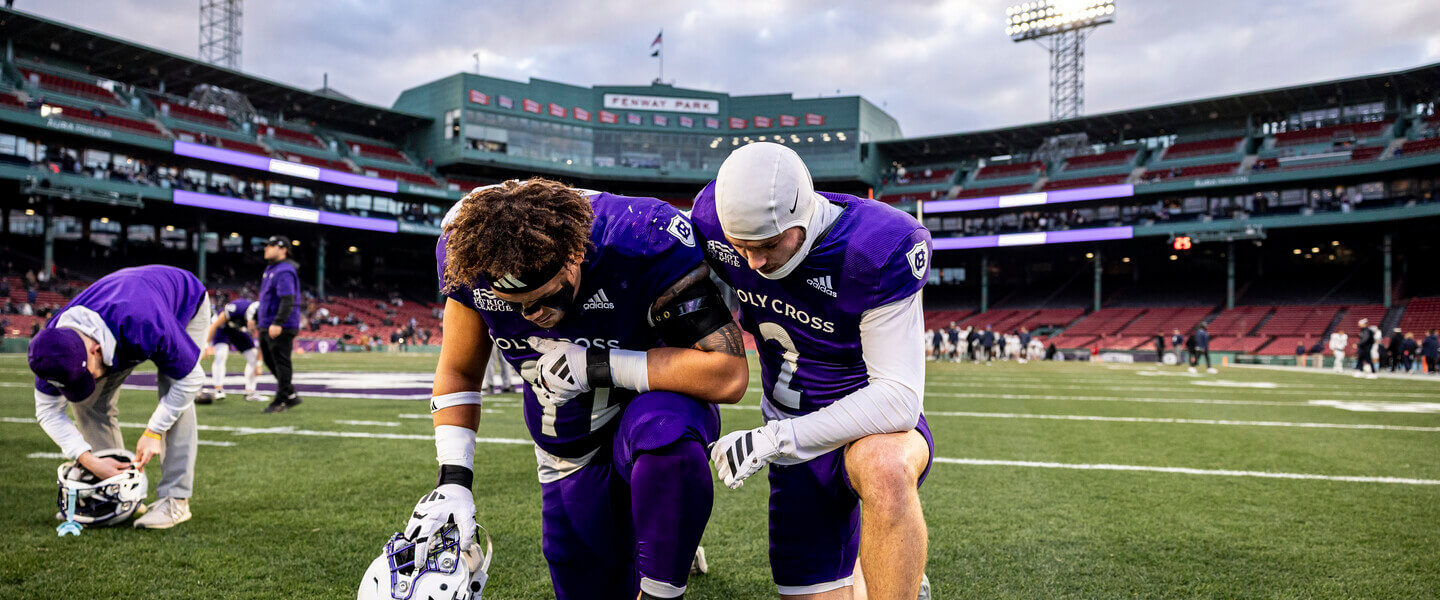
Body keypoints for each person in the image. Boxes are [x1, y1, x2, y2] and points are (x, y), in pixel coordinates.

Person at [410, 179, 748, 600]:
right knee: (584, 579)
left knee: (666, 438)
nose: (532, 315)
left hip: (652, 400)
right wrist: (454, 479)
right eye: (514, 306)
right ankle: (649, 532)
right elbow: (460, 372)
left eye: (545, 298)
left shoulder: (638, 236)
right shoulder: (470, 254)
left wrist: (597, 366)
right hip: (566, 436)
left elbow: (729, 373)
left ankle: (664, 581)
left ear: (576, 254)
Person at [691, 143, 933, 600]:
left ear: (803, 212)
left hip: (867, 426)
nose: (754, 263)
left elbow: (898, 400)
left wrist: (776, 439)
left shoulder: (876, 247)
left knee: (885, 468)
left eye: (767, 245)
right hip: (788, 420)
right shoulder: (711, 219)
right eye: (741, 248)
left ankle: (893, 572)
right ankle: (879, 564)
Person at [28, 265, 209, 529]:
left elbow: (191, 379)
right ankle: (116, 489)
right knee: (87, 400)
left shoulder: (144, 322)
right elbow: (48, 412)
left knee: (175, 384)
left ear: (95, 349)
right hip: (124, 313)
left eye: (86, 373)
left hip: (182, 301)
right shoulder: (52, 347)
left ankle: (176, 499)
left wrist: (154, 431)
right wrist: (89, 460)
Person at [257, 235, 303, 413]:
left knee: (281, 362)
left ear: (283, 249)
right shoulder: (271, 269)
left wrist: (278, 322)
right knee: (271, 361)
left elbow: (287, 299)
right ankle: (289, 393)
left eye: (271, 245)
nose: (266, 248)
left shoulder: (284, 270)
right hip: (267, 323)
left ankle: (282, 399)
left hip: (279, 325)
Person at [200, 297, 262, 402]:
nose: (254, 327)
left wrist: (259, 364)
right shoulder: (236, 308)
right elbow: (214, 325)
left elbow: (261, 342)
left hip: (238, 329)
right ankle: (218, 389)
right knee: (221, 354)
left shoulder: (262, 317)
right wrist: (205, 346)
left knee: (253, 356)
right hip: (223, 328)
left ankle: (250, 392)